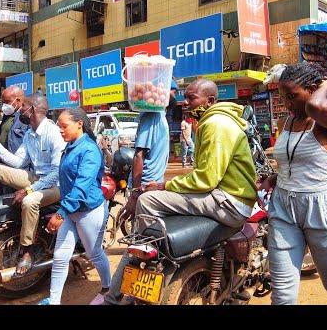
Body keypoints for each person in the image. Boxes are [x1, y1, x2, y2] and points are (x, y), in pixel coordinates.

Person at [105, 79, 257, 304]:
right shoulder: (214, 121)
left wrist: (164, 186)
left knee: (148, 201)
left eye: (192, 98)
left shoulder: (215, 124)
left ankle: (144, 260)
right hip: (225, 197)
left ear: (211, 100)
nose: (186, 102)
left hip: (227, 201)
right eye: (186, 97)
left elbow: (206, 178)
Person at [266, 62, 327, 305]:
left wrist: (325, 84)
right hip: (283, 209)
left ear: (313, 89)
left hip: (320, 212)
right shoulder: (287, 123)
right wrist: (275, 178)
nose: (287, 104)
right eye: (283, 97)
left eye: (292, 96)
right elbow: (290, 161)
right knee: (282, 292)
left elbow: (314, 107)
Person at [0, 95, 64, 274]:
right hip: (37, 178)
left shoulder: (53, 134)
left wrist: (29, 189)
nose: (20, 109)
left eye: (24, 107)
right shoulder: (29, 134)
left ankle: (27, 251)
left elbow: (57, 172)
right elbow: (19, 162)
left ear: (33, 110)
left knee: (29, 202)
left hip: (56, 186)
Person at [38, 108, 111, 305]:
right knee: (61, 256)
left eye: (64, 126)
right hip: (70, 210)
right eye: (58, 127)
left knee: (94, 253)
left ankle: (107, 289)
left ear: (79, 124)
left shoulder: (89, 150)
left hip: (89, 210)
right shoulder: (70, 146)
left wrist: (60, 213)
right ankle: (54, 301)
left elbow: (81, 186)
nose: (60, 131)